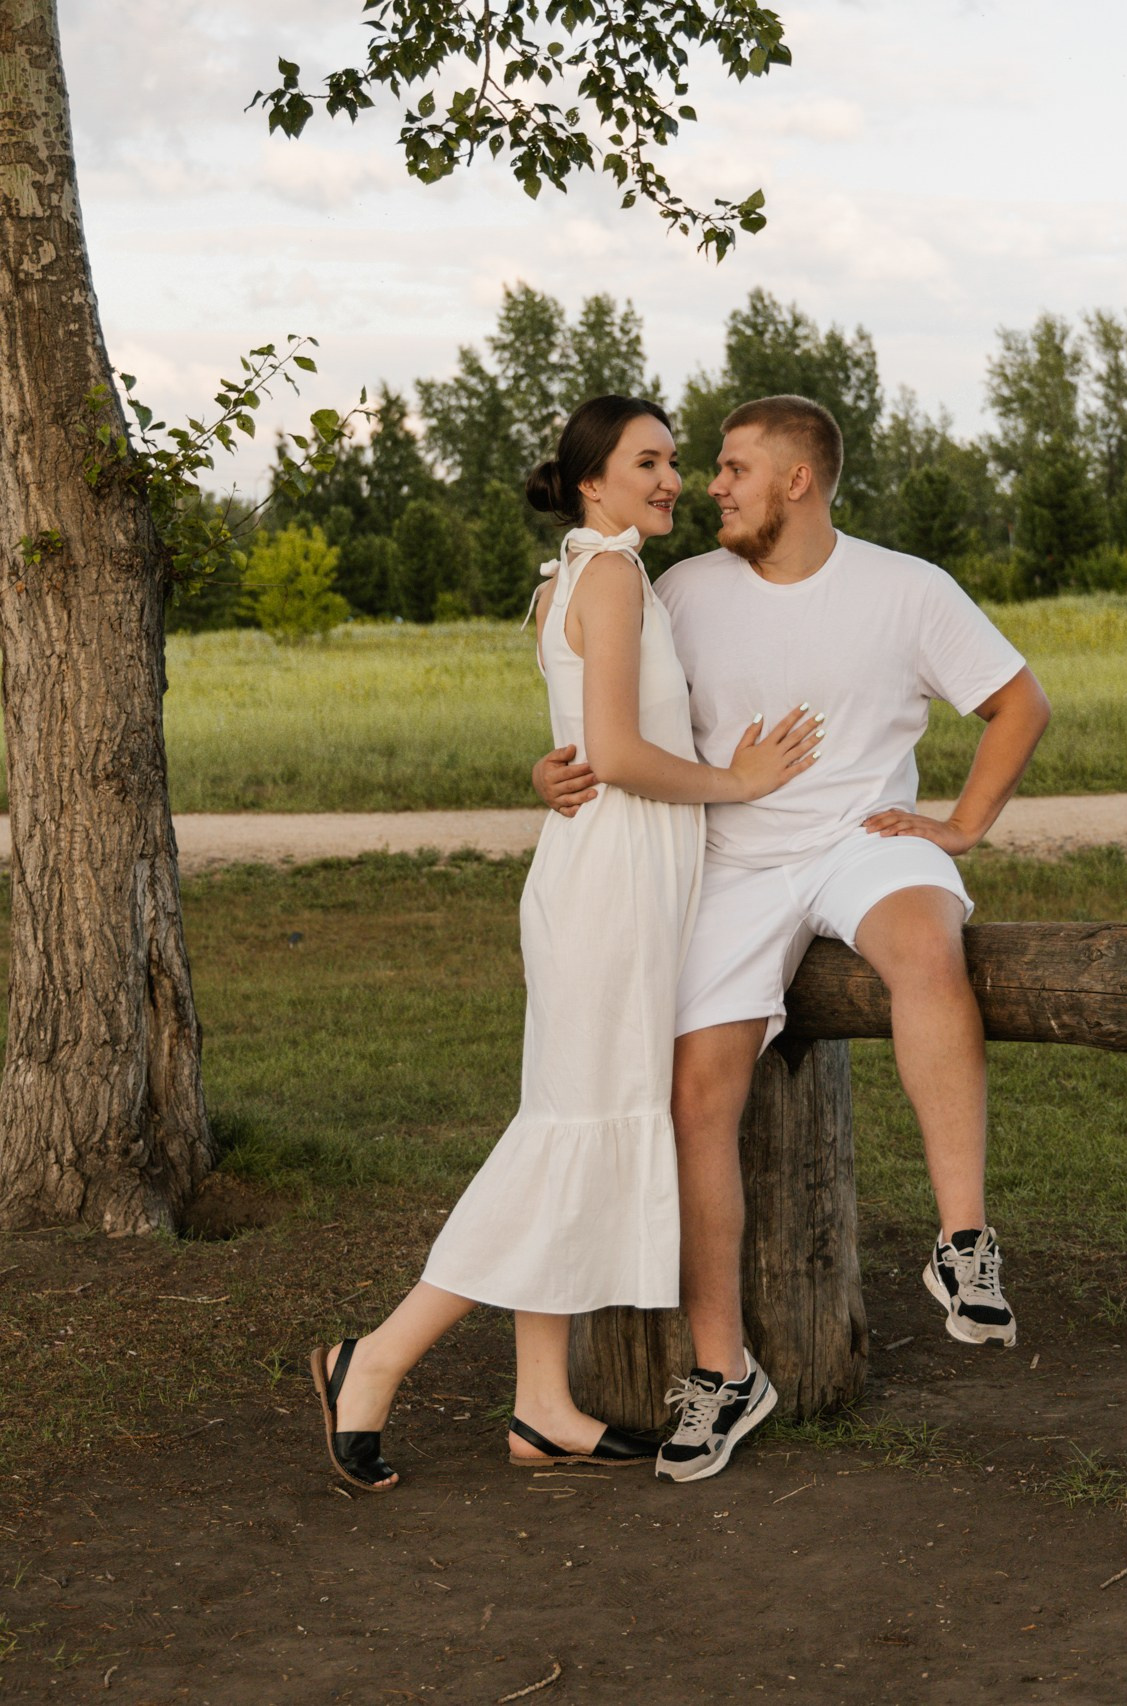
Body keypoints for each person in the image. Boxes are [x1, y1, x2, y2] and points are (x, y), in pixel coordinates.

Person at [535, 393, 1051, 1484]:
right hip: (732, 862)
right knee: (697, 1094)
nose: (705, 485)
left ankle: (964, 1247)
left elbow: (1020, 703)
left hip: (865, 837)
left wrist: (959, 826)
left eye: (729, 468)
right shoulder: (679, 589)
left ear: (798, 480)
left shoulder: (907, 588)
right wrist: (555, 766)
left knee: (924, 946)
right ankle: (722, 1371)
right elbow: (607, 707)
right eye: (701, 468)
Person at [310, 395, 823, 1491]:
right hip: (609, 889)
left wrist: (561, 769)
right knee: (564, 1132)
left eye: (676, 461)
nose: (673, 477)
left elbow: (577, 750)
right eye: (650, 460)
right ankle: (375, 1357)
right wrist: (736, 779)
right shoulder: (612, 578)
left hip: (607, 878)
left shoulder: (570, 577)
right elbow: (623, 754)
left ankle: (543, 1404)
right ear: (593, 477)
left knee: (575, 1127)